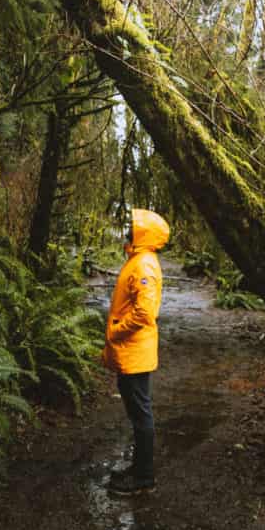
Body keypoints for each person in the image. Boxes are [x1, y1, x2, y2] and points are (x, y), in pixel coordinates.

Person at [101, 207, 169, 495]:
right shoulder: (138, 259)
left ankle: (143, 478)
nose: (129, 228)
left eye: (133, 226)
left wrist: (116, 331)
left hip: (134, 352)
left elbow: (144, 314)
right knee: (138, 412)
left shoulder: (144, 266)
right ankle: (139, 471)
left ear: (144, 233)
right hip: (131, 352)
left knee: (141, 415)